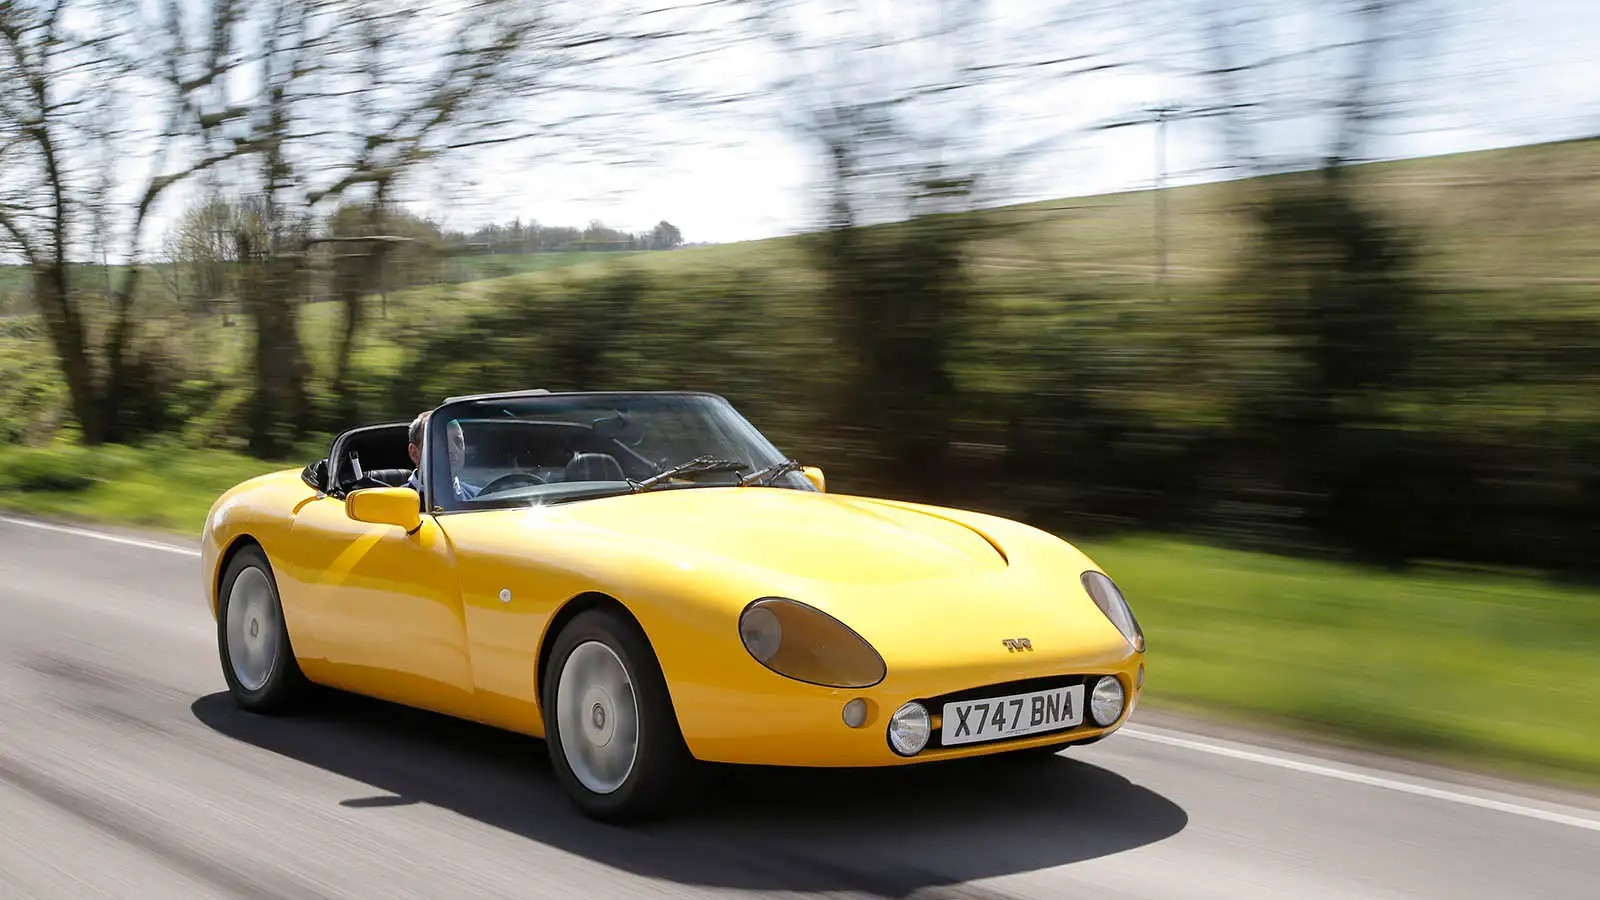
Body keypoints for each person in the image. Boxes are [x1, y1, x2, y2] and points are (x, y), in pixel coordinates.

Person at [404, 410, 481, 500]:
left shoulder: (480, 497)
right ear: (414, 453)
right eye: (441, 442)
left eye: (458, 441)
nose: (453, 450)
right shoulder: (397, 503)